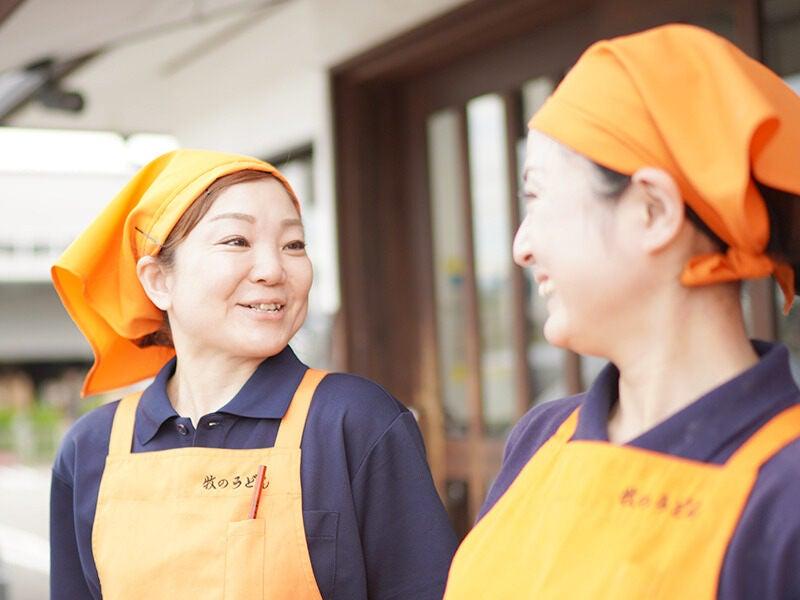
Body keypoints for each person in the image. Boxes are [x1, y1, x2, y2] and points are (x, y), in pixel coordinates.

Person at [444, 24, 800, 599]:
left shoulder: (786, 491)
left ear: (654, 210)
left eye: (536, 197)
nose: (521, 246)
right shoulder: (541, 437)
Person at [49, 149, 457, 599]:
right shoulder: (92, 449)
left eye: (294, 244)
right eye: (237, 241)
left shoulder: (352, 421)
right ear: (158, 281)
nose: (273, 270)